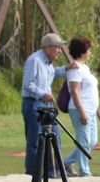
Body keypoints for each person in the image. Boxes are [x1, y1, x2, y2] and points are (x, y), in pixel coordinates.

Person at [20, 32, 66, 167]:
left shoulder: (48, 63)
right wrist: (43, 94)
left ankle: (53, 171)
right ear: (47, 47)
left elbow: (53, 73)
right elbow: (28, 84)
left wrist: (67, 69)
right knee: (35, 140)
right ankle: (32, 173)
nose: (60, 51)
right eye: (57, 47)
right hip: (34, 104)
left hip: (46, 105)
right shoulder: (35, 60)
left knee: (55, 138)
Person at [61, 36, 100, 175]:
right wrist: (82, 112)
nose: (90, 52)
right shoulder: (75, 68)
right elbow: (75, 91)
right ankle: (85, 171)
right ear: (82, 51)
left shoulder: (85, 68)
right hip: (80, 109)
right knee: (84, 141)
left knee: (92, 141)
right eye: (88, 50)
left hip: (91, 110)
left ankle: (65, 163)